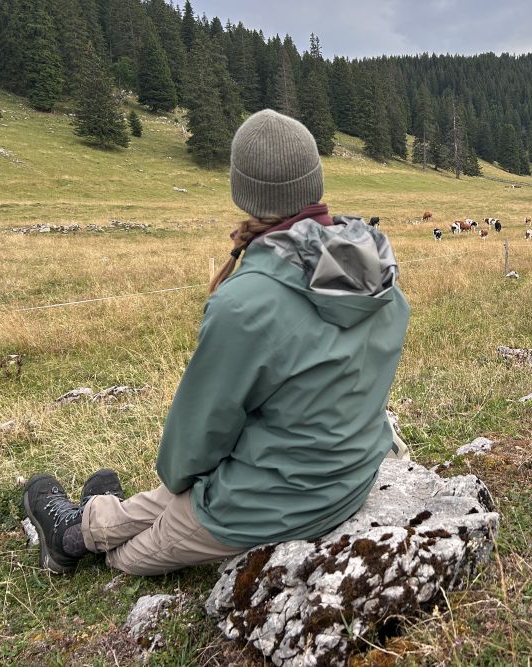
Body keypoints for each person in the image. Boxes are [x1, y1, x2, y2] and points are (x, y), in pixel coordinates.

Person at [22, 110, 411, 576]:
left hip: (272, 504)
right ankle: (94, 516)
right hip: (350, 474)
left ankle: (70, 537)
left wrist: (183, 484)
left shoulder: (245, 303)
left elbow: (195, 444)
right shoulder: (373, 266)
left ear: (242, 191)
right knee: (182, 498)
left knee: (130, 557)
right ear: (315, 179)